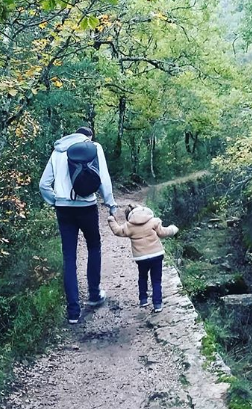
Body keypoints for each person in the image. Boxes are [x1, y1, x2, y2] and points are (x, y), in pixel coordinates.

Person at [39, 127, 118, 324]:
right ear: (88, 137)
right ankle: (93, 294)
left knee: (69, 257)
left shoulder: (57, 151)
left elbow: (43, 184)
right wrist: (110, 203)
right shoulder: (93, 147)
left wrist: (55, 200)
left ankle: (73, 312)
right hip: (87, 206)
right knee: (93, 246)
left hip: (63, 209)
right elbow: (103, 179)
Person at [107, 204, 178, 313]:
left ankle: (143, 299)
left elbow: (117, 231)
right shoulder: (153, 221)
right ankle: (157, 304)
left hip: (141, 258)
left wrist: (111, 219)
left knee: (142, 277)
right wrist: (173, 229)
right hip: (156, 255)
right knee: (156, 280)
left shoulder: (129, 226)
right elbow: (163, 233)